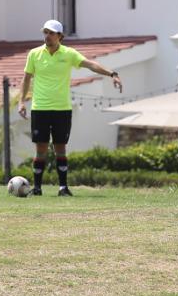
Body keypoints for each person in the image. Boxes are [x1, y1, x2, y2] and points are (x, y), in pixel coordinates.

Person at [16, 19, 123, 196]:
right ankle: (37, 188)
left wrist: (112, 73)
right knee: (40, 148)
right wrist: (21, 101)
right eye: (45, 32)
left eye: (51, 33)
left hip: (62, 109)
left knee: (60, 148)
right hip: (40, 109)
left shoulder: (69, 54)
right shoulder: (34, 54)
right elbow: (26, 79)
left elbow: (91, 64)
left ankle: (63, 188)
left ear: (60, 36)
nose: (47, 36)